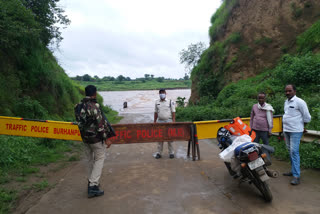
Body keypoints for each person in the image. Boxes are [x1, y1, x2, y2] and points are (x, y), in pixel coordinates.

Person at [76, 85, 112, 198]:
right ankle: (93, 185)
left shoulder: (78, 106)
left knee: (89, 160)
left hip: (85, 138)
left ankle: (91, 182)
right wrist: (106, 139)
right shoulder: (94, 106)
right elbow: (100, 125)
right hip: (95, 138)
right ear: (95, 93)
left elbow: (79, 122)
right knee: (100, 158)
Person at [282, 84, 311, 185]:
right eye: (286, 91)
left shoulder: (300, 102)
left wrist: (303, 126)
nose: (287, 93)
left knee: (294, 152)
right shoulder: (286, 102)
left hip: (295, 131)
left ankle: (296, 176)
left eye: (289, 91)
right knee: (290, 151)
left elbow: (307, 117)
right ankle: (293, 170)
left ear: (294, 91)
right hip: (287, 130)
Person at [154, 88, 176, 159]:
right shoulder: (157, 102)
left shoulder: (170, 101)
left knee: (170, 137)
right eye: (160, 93)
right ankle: (159, 153)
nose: (162, 94)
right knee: (160, 138)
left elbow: (173, 112)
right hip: (160, 122)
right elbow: (155, 112)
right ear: (159, 94)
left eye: (163, 92)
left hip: (168, 121)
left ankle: (171, 153)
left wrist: (173, 121)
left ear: (165, 93)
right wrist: (154, 122)